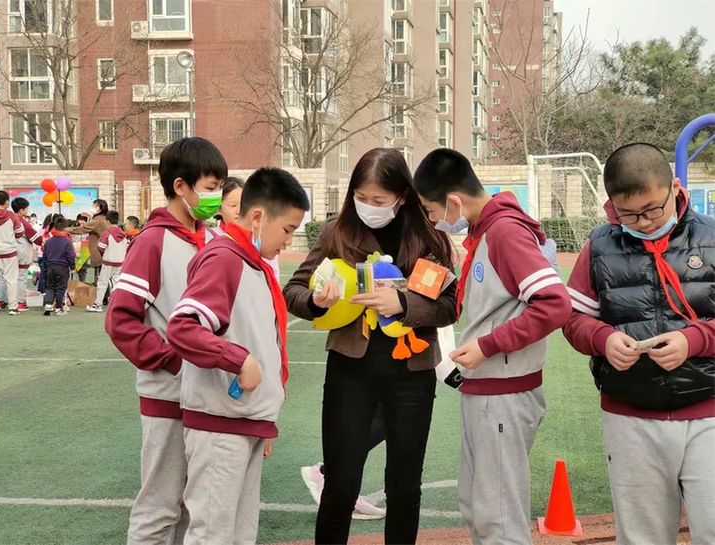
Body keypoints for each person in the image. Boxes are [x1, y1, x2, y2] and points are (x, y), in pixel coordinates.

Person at [284, 148, 458, 545]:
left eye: (378, 201)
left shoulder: (430, 238)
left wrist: (402, 304)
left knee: (404, 485)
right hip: (350, 372)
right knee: (341, 483)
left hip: (411, 376)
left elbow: (450, 306)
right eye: (361, 197)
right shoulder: (337, 232)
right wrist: (316, 301)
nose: (368, 207)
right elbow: (293, 288)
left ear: (401, 196)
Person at [412, 148, 571, 545]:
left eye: (432, 212)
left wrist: (487, 345)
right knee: (481, 505)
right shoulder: (488, 232)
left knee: (497, 517)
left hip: (503, 393)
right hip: (488, 389)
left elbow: (555, 304)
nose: (433, 221)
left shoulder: (504, 232)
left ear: (453, 201)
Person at [562, 143, 715, 545]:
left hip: (709, 411)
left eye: (652, 210)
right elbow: (573, 319)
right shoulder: (598, 246)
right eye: (627, 214)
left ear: (675, 189)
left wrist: (694, 340)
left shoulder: (713, 237)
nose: (643, 223)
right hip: (630, 416)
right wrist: (603, 338)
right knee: (641, 536)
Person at [166, 167, 309, 545]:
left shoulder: (251, 263)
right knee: (212, 535)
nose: (288, 240)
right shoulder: (225, 258)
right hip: (219, 424)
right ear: (259, 217)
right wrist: (237, 359)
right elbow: (183, 327)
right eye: (289, 229)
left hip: (241, 421)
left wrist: (265, 411)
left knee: (239, 535)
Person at [105, 137, 228, 545]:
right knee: (160, 505)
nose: (216, 197)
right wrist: (174, 360)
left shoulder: (212, 241)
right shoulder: (152, 242)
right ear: (180, 186)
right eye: (210, 187)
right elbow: (121, 319)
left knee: (195, 506)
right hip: (167, 395)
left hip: (208, 399)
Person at [0, 191, 25, 315]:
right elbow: (20, 233)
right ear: (7, 202)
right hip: (9, 254)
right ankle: (13, 308)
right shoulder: (12, 216)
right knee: (11, 280)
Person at [87, 211, 127, 312]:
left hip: (108, 262)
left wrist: (103, 255)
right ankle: (117, 304)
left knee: (102, 283)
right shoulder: (124, 234)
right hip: (120, 262)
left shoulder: (107, 233)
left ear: (108, 221)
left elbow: (101, 247)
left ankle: (97, 304)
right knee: (116, 283)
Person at [11, 197, 43, 312]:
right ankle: (20, 302)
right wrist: (43, 240)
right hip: (22, 251)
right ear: (21, 210)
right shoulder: (22, 221)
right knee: (21, 277)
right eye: (26, 208)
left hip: (9, 251)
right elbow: (36, 238)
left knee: (7, 278)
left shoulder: (9, 219)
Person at [41, 215, 75, 317]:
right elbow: (70, 256)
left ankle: (48, 304)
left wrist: (45, 267)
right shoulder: (67, 242)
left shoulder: (48, 241)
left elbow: (44, 255)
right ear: (65, 229)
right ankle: (59, 308)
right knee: (61, 288)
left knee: (50, 287)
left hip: (50, 267)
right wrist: (72, 267)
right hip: (62, 268)